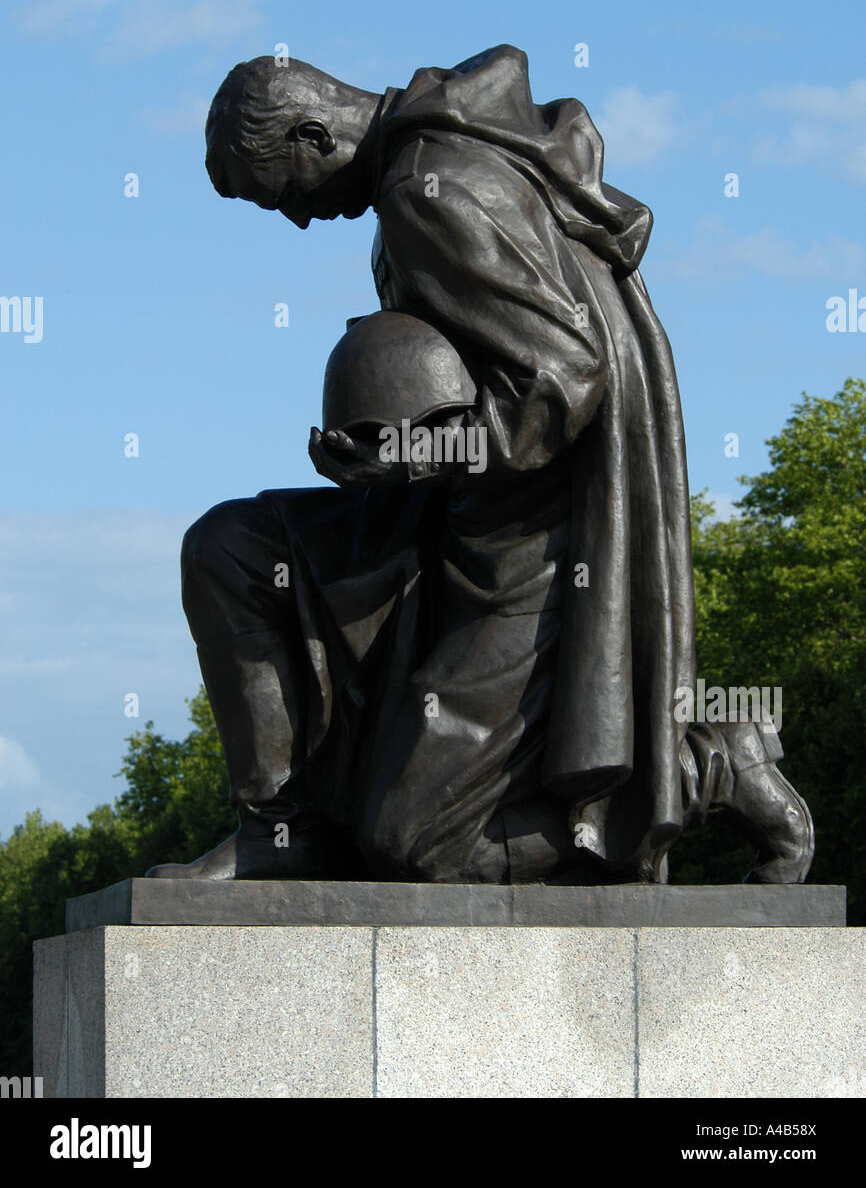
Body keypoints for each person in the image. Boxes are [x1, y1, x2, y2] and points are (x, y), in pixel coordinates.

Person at [146, 45, 813, 885]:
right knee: (234, 551)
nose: (300, 221)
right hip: (447, 512)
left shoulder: (429, 190)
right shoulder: (429, 165)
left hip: (535, 553)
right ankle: (282, 828)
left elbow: (565, 377)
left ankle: (700, 764)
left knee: (415, 844)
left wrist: (412, 454)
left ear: (312, 136)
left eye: (282, 195)